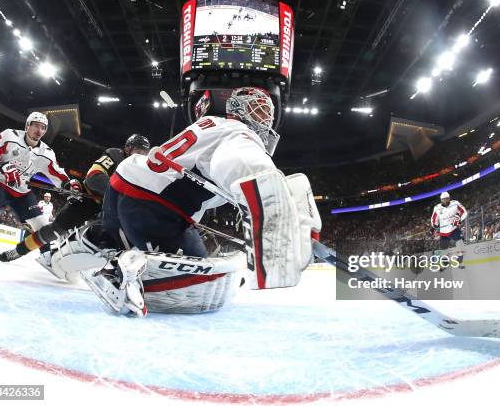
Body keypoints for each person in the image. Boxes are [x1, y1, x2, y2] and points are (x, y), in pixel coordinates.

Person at [57, 87, 321, 316]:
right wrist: (270, 219)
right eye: (260, 111)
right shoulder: (240, 134)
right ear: (241, 111)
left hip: (125, 180)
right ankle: (119, 274)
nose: (266, 119)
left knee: (123, 236)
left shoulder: (210, 126)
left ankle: (96, 238)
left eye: (268, 113)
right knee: (198, 281)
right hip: (153, 205)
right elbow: (237, 163)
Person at [0, 134, 151, 269]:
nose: (141, 156)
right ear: (127, 148)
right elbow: (94, 177)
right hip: (89, 200)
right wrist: (119, 194)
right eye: (138, 152)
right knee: (55, 230)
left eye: (144, 153)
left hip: (111, 208)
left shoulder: (140, 170)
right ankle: (19, 251)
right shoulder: (115, 156)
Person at [0, 112, 81, 234]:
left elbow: (58, 176)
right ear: (27, 126)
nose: (39, 130)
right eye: (36, 125)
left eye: (43, 127)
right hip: (0, 184)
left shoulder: (46, 153)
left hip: (22, 193)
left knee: (44, 229)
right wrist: (2, 167)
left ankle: (41, 253)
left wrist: (68, 186)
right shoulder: (9, 136)